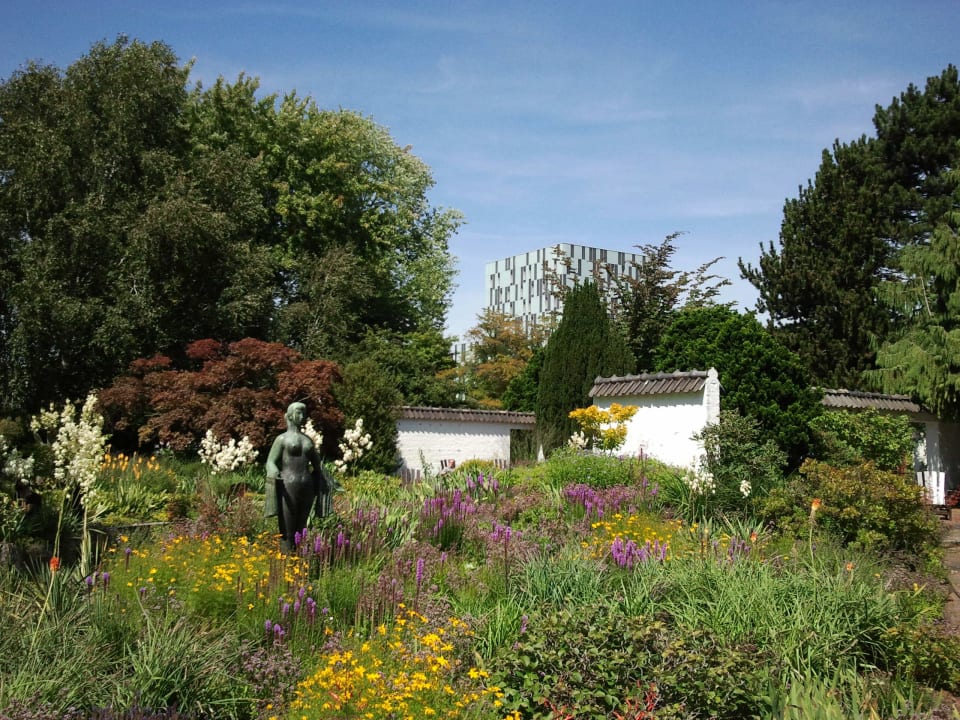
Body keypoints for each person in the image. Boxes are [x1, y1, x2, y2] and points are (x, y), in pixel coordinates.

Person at [265, 402, 331, 553]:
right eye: (298, 413)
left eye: (303, 413)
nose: (302, 416)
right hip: (288, 487)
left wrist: (326, 480)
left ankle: (300, 559)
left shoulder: (308, 440)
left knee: (301, 527)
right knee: (287, 528)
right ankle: (287, 561)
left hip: (307, 487)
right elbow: (270, 461)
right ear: (289, 416)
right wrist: (273, 471)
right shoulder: (282, 439)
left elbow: (318, 464)